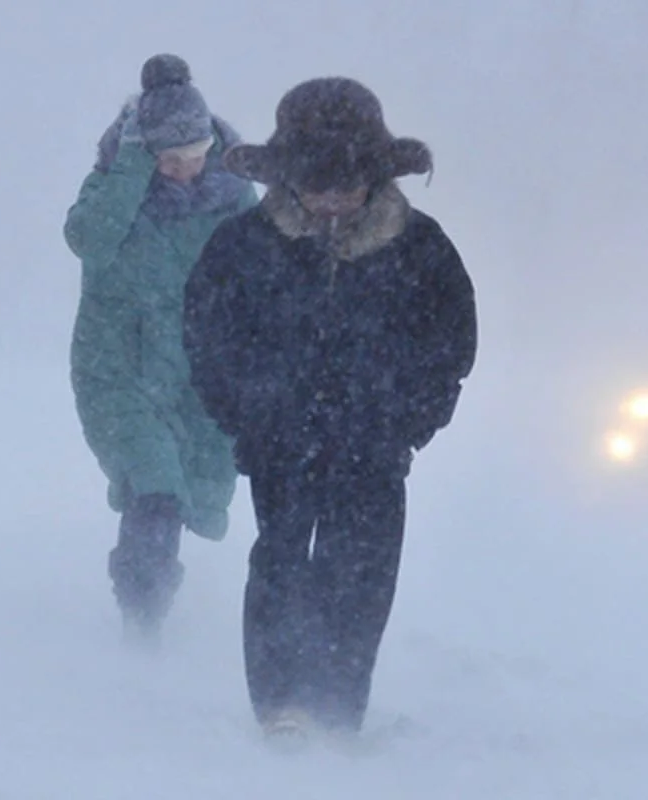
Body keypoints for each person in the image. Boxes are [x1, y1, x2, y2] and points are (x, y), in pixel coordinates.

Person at [183, 77, 478, 738]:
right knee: (283, 564)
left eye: (346, 186)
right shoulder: (243, 247)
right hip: (278, 439)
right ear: (287, 182)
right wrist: (246, 414)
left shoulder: (420, 246)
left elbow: (450, 341)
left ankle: (339, 706)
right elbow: (208, 337)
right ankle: (281, 705)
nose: (332, 201)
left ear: (374, 180)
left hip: (377, 443)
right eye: (317, 186)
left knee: (362, 571)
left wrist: (411, 419)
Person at [64, 54, 257, 644]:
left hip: (196, 375)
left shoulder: (234, 198)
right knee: (156, 488)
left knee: (191, 489)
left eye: (193, 158)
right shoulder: (114, 192)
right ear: (146, 154)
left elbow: (264, 270)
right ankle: (141, 621)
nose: (183, 172)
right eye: (168, 161)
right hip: (118, 372)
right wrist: (128, 169)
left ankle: (157, 605)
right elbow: (86, 240)